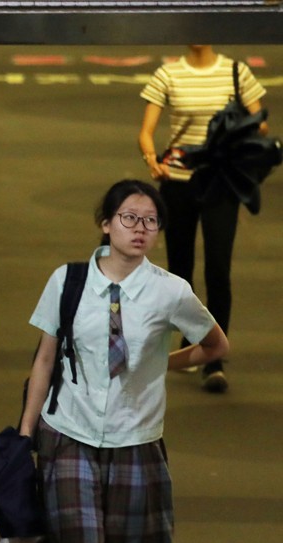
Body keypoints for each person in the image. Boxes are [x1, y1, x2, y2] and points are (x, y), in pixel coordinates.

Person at [19, 180, 228, 543]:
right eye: (129, 218)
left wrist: (167, 364)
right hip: (70, 432)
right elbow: (44, 360)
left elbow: (215, 345)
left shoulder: (170, 291)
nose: (140, 229)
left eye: (150, 221)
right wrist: (24, 434)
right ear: (105, 223)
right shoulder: (67, 281)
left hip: (137, 439)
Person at [138, 44, 266, 394]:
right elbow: (146, 131)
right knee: (179, 271)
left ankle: (213, 357)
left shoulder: (237, 73)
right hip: (177, 184)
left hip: (220, 184)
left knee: (218, 269)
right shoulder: (168, 74)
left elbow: (261, 123)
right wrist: (152, 159)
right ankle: (190, 338)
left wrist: (237, 135)